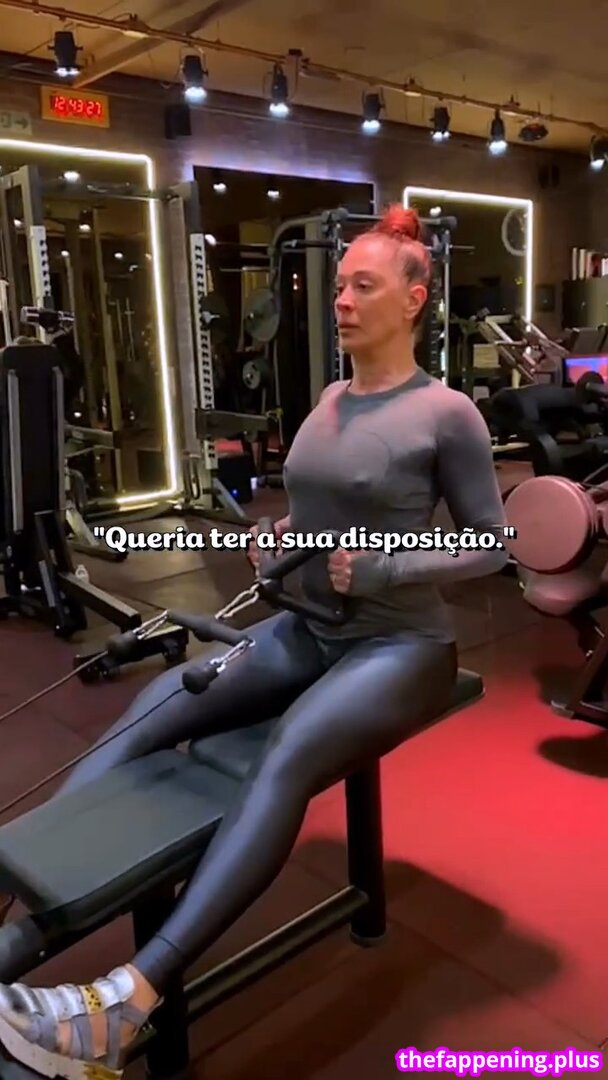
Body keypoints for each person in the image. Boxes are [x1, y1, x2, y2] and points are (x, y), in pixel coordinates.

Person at [0, 205, 508, 1080]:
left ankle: (126, 1005)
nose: (341, 300)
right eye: (340, 285)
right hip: (310, 629)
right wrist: (277, 542)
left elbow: (493, 544)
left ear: (413, 299)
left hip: (401, 648)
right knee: (155, 705)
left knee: (288, 753)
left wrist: (387, 567)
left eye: (363, 286)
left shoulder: (446, 411)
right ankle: (14, 931)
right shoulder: (330, 400)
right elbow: (312, 516)